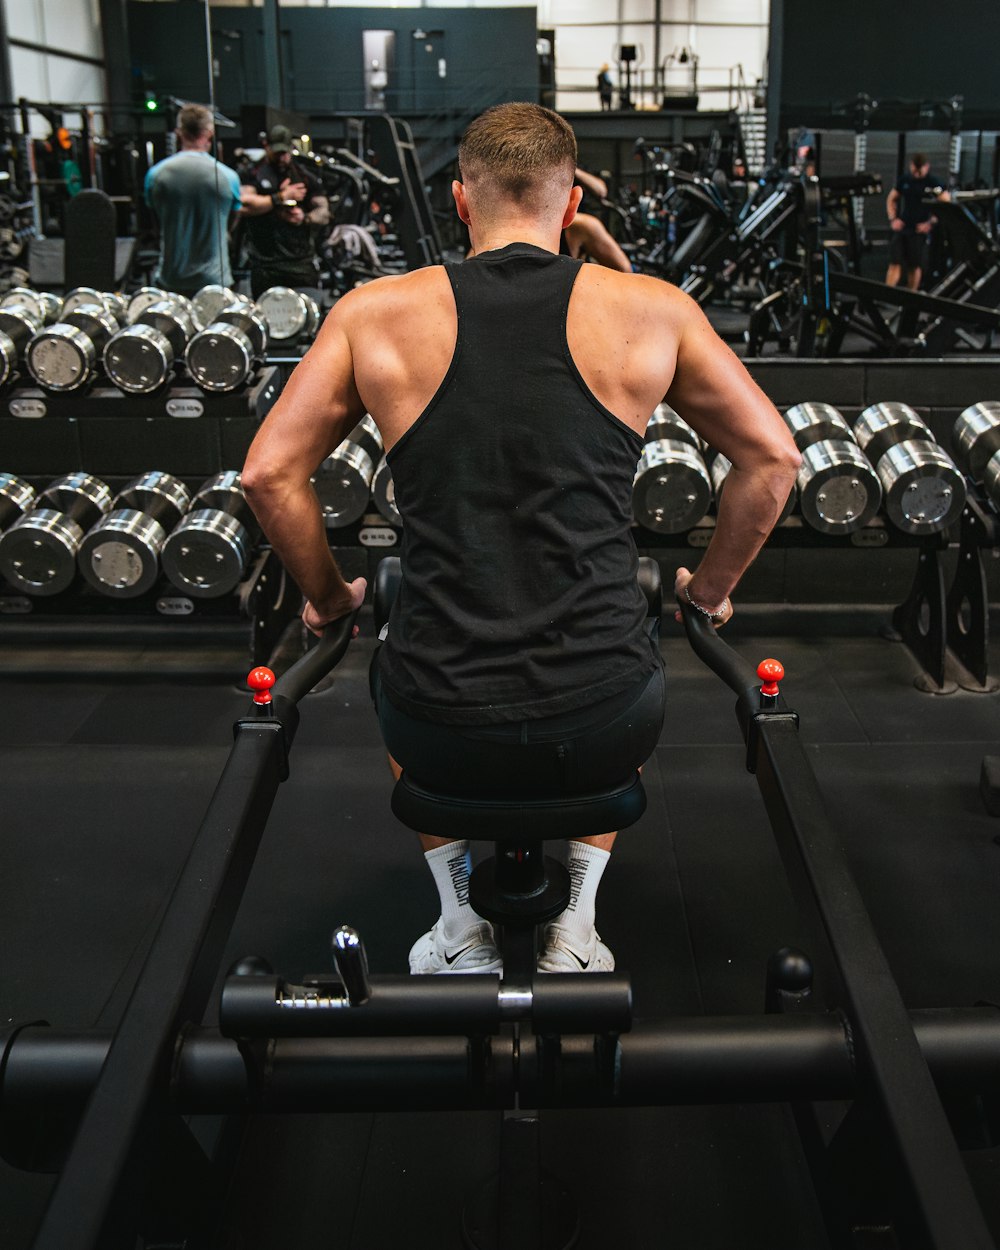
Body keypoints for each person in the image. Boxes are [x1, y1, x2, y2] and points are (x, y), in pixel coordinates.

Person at [241, 103, 800, 976]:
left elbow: (268, 476)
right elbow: (772, 460)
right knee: (612, 650)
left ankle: (459, 921)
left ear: (462, 202)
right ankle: (574, 925)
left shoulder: (374, 312)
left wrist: (327, 602)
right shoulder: (655, 311)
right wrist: (707, 592)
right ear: (572, 201)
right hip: (610, 720)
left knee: (400, 644)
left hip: (435, 723)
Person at [144, 104, 242, 297]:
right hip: (214, 281)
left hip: (172, 280)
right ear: (210, 133)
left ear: (178, 133)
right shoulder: (227, 176)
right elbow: (232, 222)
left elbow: (154, 224)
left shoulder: (156, 175)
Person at [239, 125, 331, 298]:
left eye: (284, 153)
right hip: (266, 264)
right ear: (267, 146)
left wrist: (304, 218)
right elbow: (245, 205)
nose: (281, 158)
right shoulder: (253, 174)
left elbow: (324, 212)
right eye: (277, 153)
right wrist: (280, 197)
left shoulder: (304, 176)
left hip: (299, 263)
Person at [885, 153, 949, 291]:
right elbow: (891, 199)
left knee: (914, 266)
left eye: (920, 169)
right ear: (911, 166)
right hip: (903, 227)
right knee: (894, 262)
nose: (917, 172)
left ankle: (911, 299)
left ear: (927, 167)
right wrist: (893, 219)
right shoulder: (905, 180)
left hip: (919, 230)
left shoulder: (933, 182)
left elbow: (947, 205)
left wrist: (930, 223)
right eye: (915, 169)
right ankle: (887, 294)